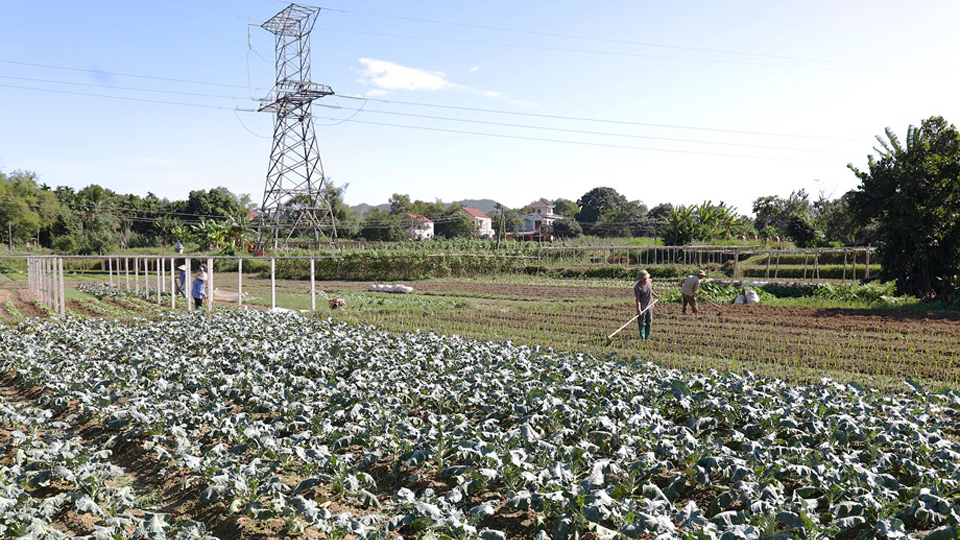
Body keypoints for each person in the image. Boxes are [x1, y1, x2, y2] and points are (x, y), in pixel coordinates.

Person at [634, 269, 660, 341]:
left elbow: (650, 290)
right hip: (642, 308)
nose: (647, 279)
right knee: (642, 322)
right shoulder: (638, 287)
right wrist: (639, 310)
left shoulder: (649, 282)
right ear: (641, 279)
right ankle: (642, 338)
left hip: (650, 306)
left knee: (649, 321)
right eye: (645, 278)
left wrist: (656, 296)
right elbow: (638, 300)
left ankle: (646, 337)